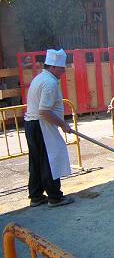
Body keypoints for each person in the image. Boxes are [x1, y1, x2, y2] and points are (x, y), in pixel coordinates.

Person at [24, 49, 74, 207]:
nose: (63, 72)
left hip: (32, 124)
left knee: (37, 161)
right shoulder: (50, 83)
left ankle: (36, 196)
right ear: (52, 67)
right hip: (41, 126)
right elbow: (44, 111)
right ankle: (55, 197)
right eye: (61, 68)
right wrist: (63, 124)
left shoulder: (39, 78)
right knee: (49, 160)